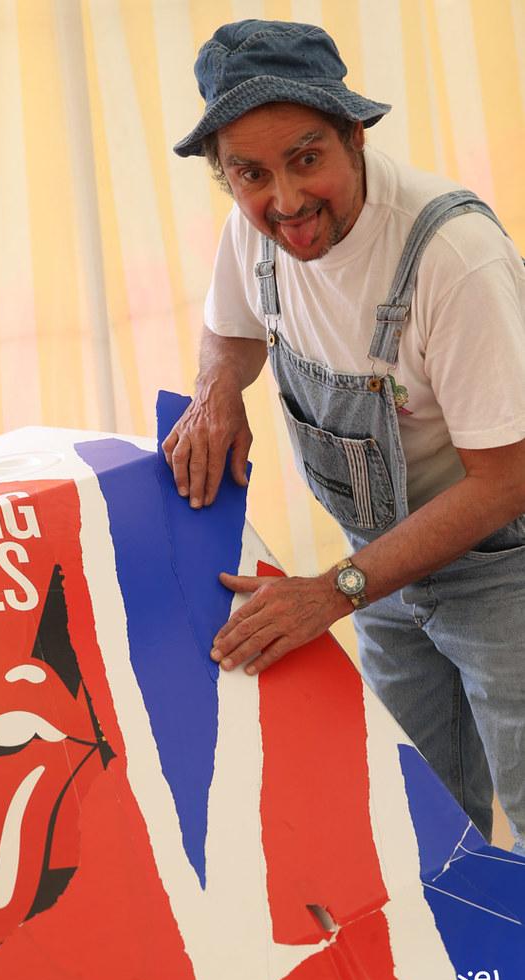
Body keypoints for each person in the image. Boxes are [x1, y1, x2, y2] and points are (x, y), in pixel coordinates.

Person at [164, 19, 525, 852]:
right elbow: (230, 332)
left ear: (353, 135)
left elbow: (505, 480)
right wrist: (216, 389)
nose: (286, 201)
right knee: (416, 830)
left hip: (504, 571)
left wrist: (332, 591)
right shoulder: (253, 237)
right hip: (383, 572)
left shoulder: (451, 256)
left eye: (305, 159)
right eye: (251, 174)